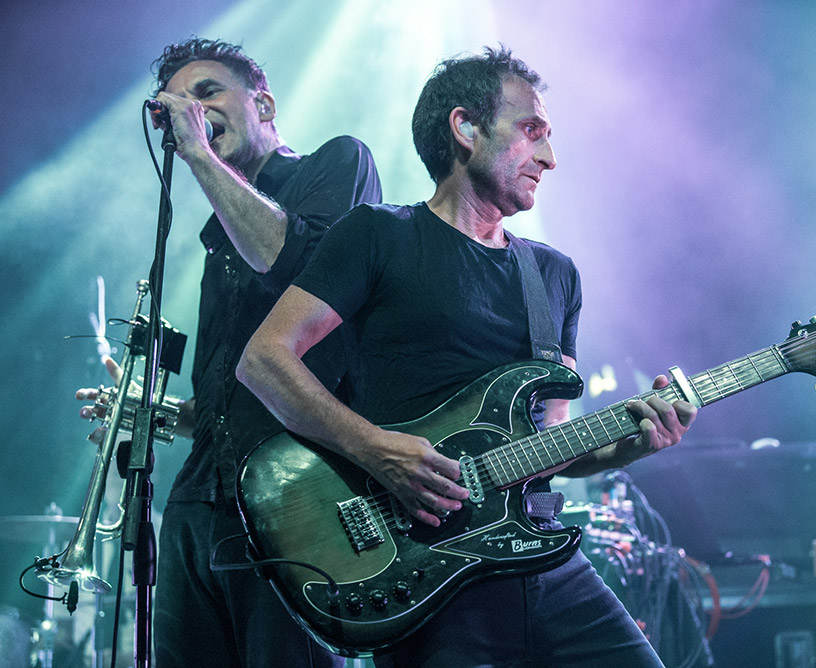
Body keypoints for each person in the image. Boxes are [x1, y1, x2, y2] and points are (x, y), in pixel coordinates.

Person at [236, 46, 696, 667]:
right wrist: (376, 449)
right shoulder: (379, 234)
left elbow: (552, 444)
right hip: (425, 564)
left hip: (541, 558)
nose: (550, 158)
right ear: (466, 128)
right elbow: (264, 360)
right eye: (532, 131)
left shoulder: (554, 275)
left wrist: (638, 441)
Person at [76, 37, 381, 667]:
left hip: (295, 498)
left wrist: (196, 156)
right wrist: (159, 413)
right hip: (199, 500)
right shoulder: (220, 233)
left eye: (208, 92)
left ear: (263, 104)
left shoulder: (335, 163)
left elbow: (290, 261)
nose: (192, 110)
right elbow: (229, 394)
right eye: (178, 103)